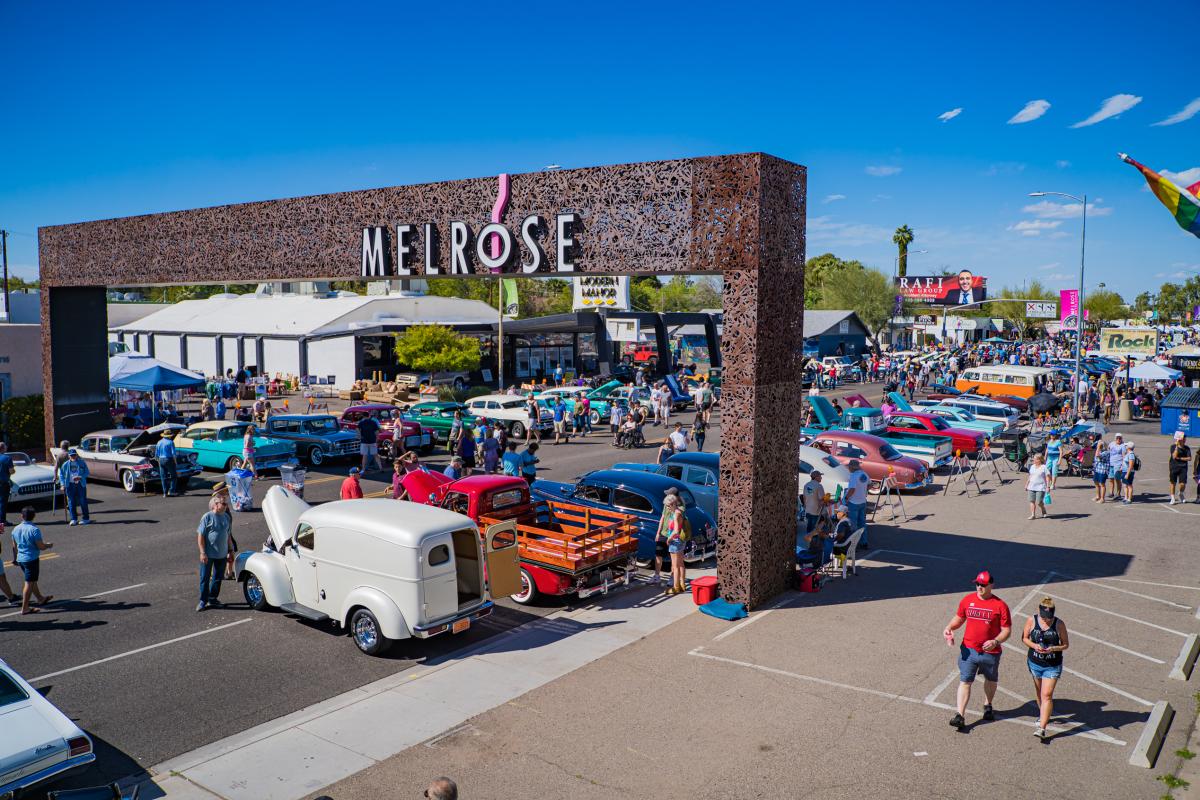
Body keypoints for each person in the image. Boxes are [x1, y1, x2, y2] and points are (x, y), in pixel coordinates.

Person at [943, 571, 1012, 730]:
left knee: (991, 680)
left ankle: (988, 705)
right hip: (969, 649)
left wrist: (996, 641)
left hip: (990, 653)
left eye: (983, 585)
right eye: (977, 584)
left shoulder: (1000, 605)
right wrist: (949, 627)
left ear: (991, 585)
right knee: (965, 681)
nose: (979, 587)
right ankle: (960, 715)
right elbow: (959, 618)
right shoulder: (968, 600)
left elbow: (1006, 630)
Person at [1022, 596, 1070, 739]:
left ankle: (1042, 728)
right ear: (1039, 612)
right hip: (1035, 663)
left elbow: (1066, 644)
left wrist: (1053, 648)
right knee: (1039, 693)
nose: (1046, 620)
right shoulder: (1032, 620)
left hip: (1052, 665)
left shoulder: (1059, 624)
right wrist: (1034, 646)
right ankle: (1042, 714)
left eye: (1049, 617)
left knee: (1047, 695)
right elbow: (1024, 638)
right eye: (1044, 617)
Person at [12, 507, 53, 615]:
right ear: (33, 516)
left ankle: (40, 598)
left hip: (21, 559)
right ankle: (25, 608)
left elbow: (14, 546)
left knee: (31, 580)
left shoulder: (15, 529)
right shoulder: (34, 529)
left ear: (22, 516)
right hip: (31, 559)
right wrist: (48, 545)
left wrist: (15, 558)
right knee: (29, 583)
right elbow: (41, 546)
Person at [195, 494, 233, 611]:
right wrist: (202, 552)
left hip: (222, 555)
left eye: (226, 503)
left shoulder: (226, 517)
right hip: (208, 555)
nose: (226, 505)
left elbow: (228, 536)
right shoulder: (207, 517)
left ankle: (213, 599)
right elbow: (200, 536)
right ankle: (203, 600)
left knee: (217, 578)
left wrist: (230, 550)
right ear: (216, 505)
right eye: (224, 503)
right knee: (204, 578)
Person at [58, 449, 91, 526]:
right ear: (69, 456)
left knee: (83, 501)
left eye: (74, 455)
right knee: (71, 502)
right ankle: (73, 519)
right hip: (70, 485)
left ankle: (86, 519)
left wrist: (81, 477)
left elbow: (87, 472)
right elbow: (61, 475)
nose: (73, 456)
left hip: (80, 484)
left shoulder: (82, 462)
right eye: (71, 455)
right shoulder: (65, 464)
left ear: (76, 455)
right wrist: (62, 485)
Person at [843, 459, 871, 548]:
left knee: (853, 524)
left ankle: (854, 544)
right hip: (862, 501)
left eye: (849, 467)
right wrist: (863, 491)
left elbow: (852, 489)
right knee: (862, 523)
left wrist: (846, 498)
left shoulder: (854, 476)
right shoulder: (864, 474)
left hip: (854, 502)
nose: (848, 468)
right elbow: (870, 484)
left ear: (852, 467)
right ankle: (864, 542)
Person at [800, 470, 825, 536]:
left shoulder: (806, 485)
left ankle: (808, 539)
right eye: (820, 476)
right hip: (816, 510)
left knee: (809, 526)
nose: (821, 478)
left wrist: (806, 506)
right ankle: (813, 542)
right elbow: (822, 499)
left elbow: (804, 497)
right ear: (816, 477)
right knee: (815, 528)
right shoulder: (819, 486)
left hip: (808, 509)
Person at [156, 429, 179, 497]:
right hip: (169, 459)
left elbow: (156, 455)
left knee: (163, 477)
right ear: (169, 436)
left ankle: (165, 493)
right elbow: (173, 454)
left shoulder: (159, 442)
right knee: (173, 476)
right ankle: (171, 491)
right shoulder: (170, 442)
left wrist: (159, 461)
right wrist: (176, 462)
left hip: (161, 460)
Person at [1169, 432, 1190, 505]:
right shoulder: (1173, 447)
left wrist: (1180, 458)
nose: (1184, 440)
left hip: (1183, 468)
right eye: (1183, 438)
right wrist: (1177, 446)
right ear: (1179, 439)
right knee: (1173, 483)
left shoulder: (1187, 448)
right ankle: (1172, 498)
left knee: (1182, 484)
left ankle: (1181, 493)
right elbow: (1174, 456)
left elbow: (1189, 458)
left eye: (1185, 438)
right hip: (1174, 467)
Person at [1026, 453, 1049, 520]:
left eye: (1035, 459)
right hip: (1031, 486)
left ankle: (1043, 509)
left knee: (1039, 502)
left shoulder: (1044, 467)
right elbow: (1030, 476)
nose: (1034, 460)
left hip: (1041, 487)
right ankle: (1033, 515)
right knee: (1031, 501)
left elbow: (1047, 477)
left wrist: (1048, 487)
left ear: (1039, 460)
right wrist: (1026, 484)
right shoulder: (1032, 466)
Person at [1106, 433, 1127, 501]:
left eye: (1120, 438)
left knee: (1117, 479)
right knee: (1111, 478)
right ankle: (1111, 492)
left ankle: (1118, 494)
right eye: (1117, 438)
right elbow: (1108, 449)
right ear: (1115, 438)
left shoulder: (1123, 446)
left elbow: (1124, 456)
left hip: (1118, 465)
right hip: (1111, 464)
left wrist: (1122, 466)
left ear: (1121, 438)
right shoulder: (1112, 443)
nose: (1118, 439)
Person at [0, 442, 14, 534]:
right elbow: (11, 471)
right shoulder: (7, 458)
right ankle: (2, 520)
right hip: (3, 482)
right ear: (3, 448)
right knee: (2, 502)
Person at [1091, 437, 1109, 504]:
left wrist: (1098, 447)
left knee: (1102, 484)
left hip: (1103, 470)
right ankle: (1098, 496)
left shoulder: (1106, 452)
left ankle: (1102, 498)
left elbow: (1097, 455)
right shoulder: (1099, 451)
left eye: (1100, 446)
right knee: (1096, 483)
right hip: (1097, 469)